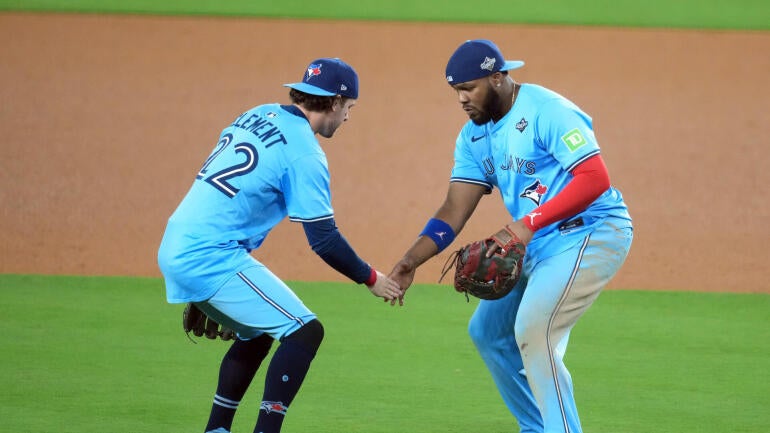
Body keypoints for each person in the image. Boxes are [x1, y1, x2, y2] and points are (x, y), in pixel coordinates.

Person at [389, 39, 634, 433]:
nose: (462, 99)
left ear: (498, 77)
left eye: (469, 88)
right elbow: (454, 209)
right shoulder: (474, 136)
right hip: (536, 243)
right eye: (456, 91)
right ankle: (538, 427)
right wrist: (410, 260)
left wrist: (525, 224)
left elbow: (595, 179)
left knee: (534, 331)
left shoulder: (547, 110)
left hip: (591, 232)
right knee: (487, 332)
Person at [158, 57, 403, 433]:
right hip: (210, 255)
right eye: (350, 107)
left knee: (257, 332)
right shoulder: (305, 152)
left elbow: (227, 198)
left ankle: (217, 428)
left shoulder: (257, 114)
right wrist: (372, 278)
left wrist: (200, 290)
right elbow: (323, 240)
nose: (348, 117)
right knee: (305, 330)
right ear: (335, 102)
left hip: (179, 241)